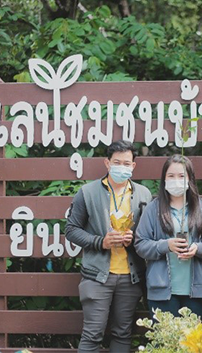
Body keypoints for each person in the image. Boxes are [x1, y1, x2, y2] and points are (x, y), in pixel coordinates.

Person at [65, 140, 152, 353]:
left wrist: (136, 238)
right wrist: (100, 241)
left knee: (123, 334)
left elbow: (149, 234)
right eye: (117, 162)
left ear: (133, 166)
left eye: (126, 163)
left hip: (130, 277)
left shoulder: (144, 194)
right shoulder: (87, 192)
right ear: (107, 163)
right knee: (93, 333)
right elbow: (71, 230)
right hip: (97, 275)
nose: (122, 167)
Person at [135, 154, 202, 321]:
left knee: (191, 344)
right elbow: (140, 244)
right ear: (164, 179)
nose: (176, 180)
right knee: (164, 343)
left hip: (196, 292)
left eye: (181, 176)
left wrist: (198, 248)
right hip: (160, 291)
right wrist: (165, 245)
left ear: (190, 179)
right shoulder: (153, 209)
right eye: (171, 176)